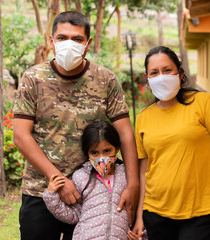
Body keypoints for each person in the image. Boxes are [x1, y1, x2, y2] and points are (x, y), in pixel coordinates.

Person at [12, 11, 139, 240]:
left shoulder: (105, 80)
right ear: (51, 41)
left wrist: (133, 185)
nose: (69, 43)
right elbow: (21, 136)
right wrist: (58, 181)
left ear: (88, 44)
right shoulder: (33, 79)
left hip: (91, 195)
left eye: (77, 39)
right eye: (62, 38)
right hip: (41, 190)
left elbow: (126, 135)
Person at [128, 46, 210, 240]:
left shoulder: (204, 102)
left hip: (199, 211)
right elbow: (144, 171)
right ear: (148, 79)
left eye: (167, 70)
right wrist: (139, 217)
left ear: (180, 72)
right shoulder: (143, 118)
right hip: (155, 212)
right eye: (154, 72)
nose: (161, 76)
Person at [43, 120, 130, 239]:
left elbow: (139, 209)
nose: (101, 158)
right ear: (87, 153)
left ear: (117, 148)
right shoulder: (81, 177)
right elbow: (74, 215)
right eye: (95, 153)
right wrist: (51, 197)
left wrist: (142, 233)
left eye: (107, 151)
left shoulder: (127, 175)